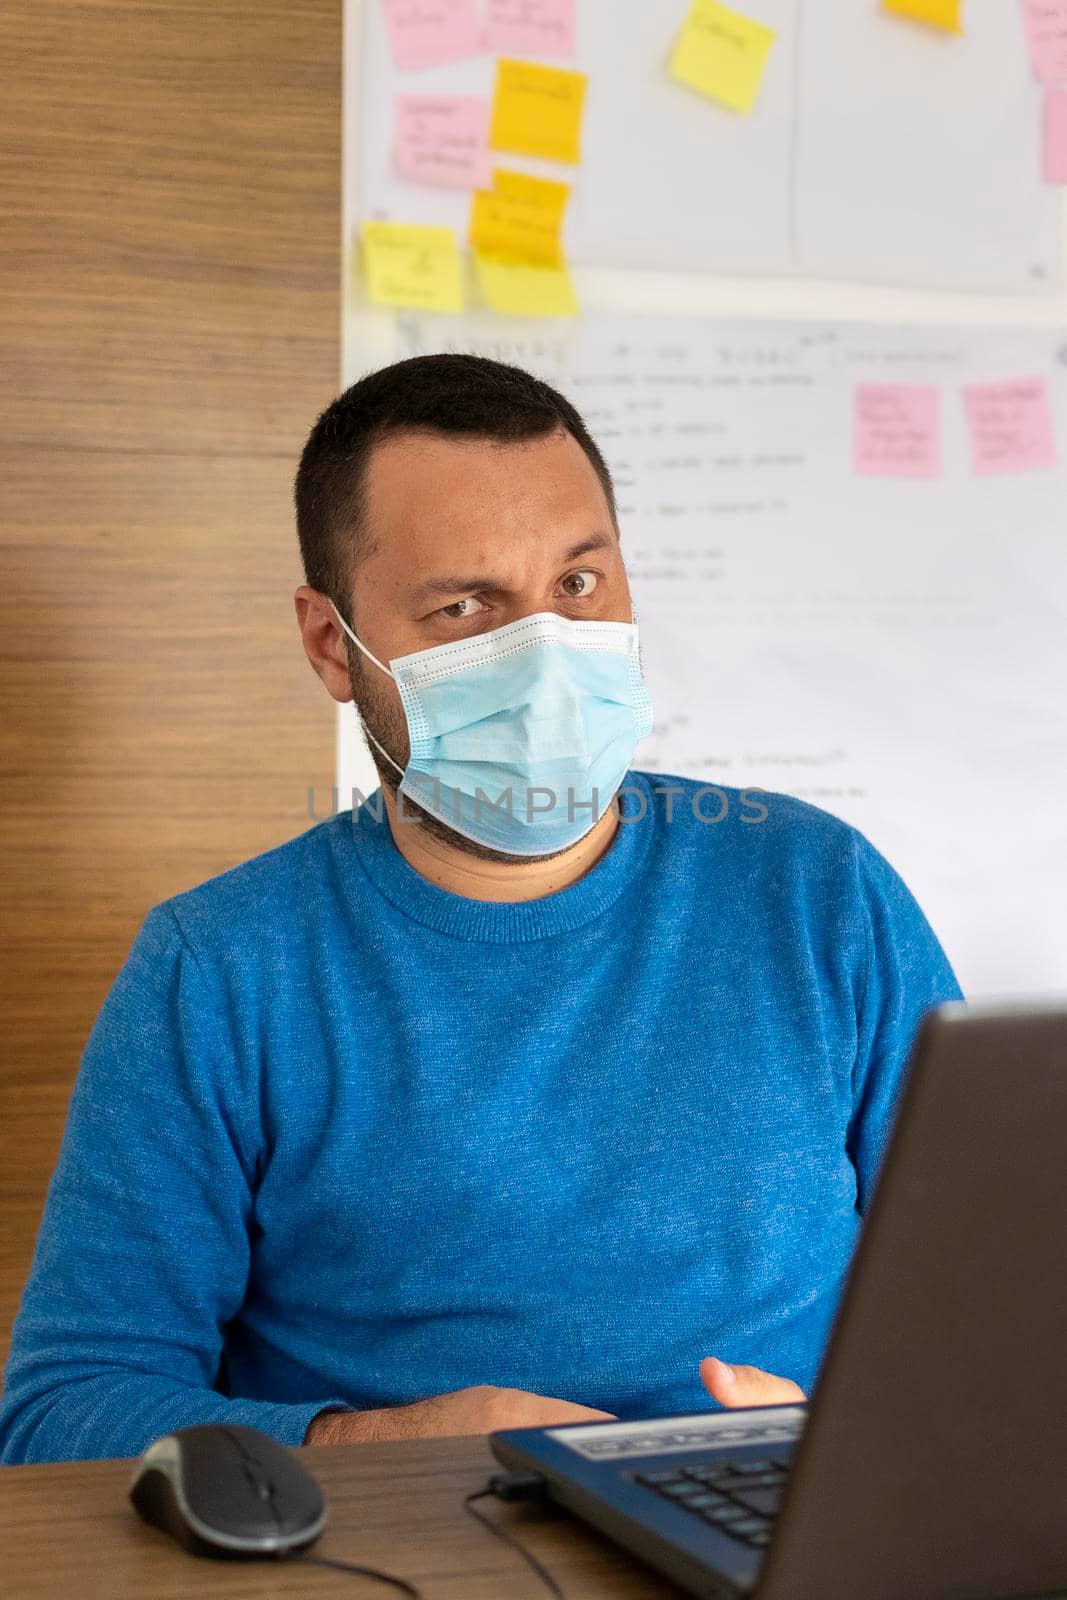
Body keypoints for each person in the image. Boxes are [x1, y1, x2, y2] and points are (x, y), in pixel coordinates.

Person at [0, 355, 962, 1464]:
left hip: (776, 1532)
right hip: (412, 1549)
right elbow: (63, 1414)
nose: (547, 653)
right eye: (466, 607)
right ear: (331, 645)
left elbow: (998, 1286)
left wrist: (840, 1436)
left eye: (578, 585)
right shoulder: (217, 969)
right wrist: (385, 1442)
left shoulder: (817, 892)